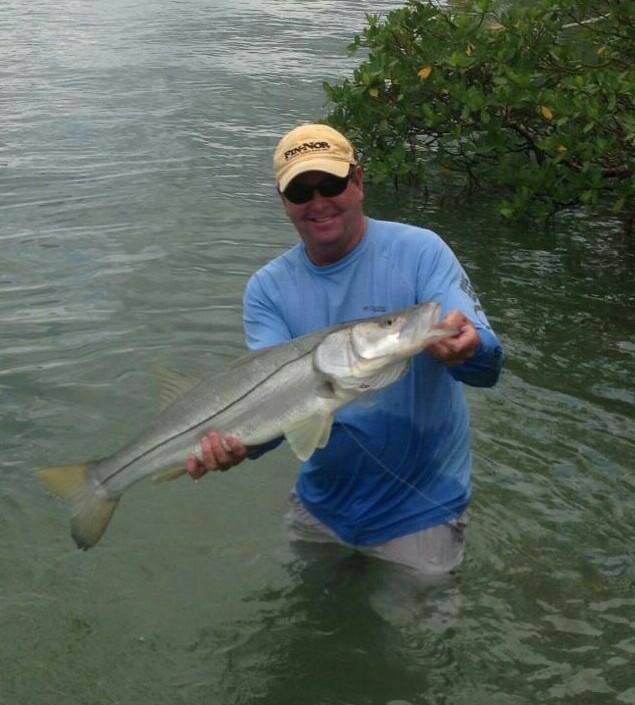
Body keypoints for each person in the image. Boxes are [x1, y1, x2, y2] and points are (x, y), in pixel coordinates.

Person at [186, 123, 504, 576]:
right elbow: (277, 413)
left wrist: (471, 350)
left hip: (422, 511)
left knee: (415, 643)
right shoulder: (267, 290)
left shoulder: (421, 251)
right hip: (319, 508)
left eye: (332, 184)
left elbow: (487, 362)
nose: (319, 203)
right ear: (283, 202)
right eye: (301, 191)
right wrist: (240, 447)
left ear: (358, 182)